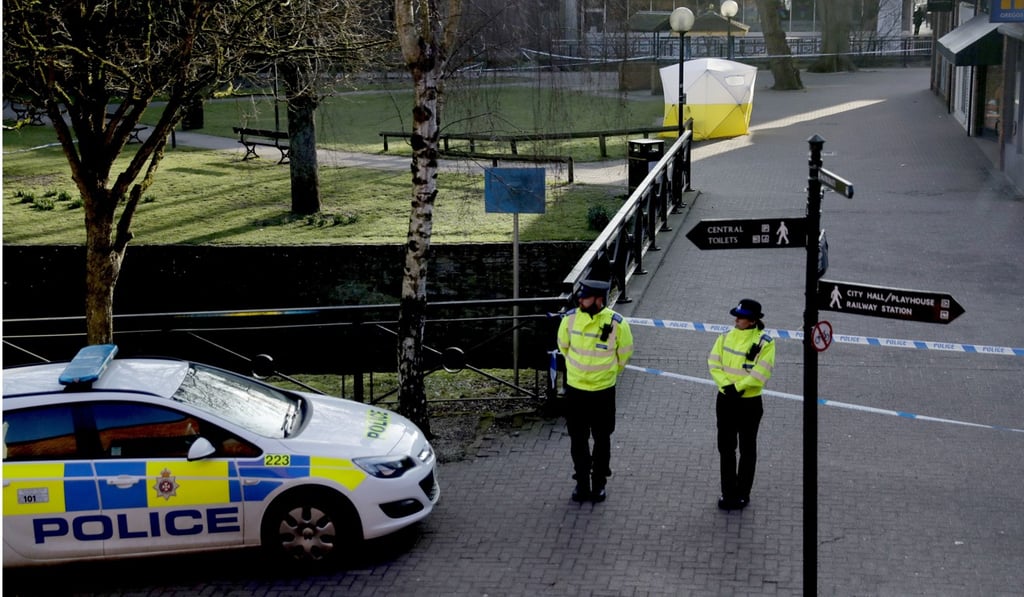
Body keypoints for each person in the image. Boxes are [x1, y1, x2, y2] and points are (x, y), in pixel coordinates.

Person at [557, 279, 634, 503]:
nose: (581, 300)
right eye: (581, 296)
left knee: (602, 439)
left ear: (599, 299)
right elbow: (563, 346)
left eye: (586, 297)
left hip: (603, 391)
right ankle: (582, 483)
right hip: (576, 391)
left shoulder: (617, 323)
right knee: (578, 439)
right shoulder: (570, 319)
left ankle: (599, 482)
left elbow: (625, 354)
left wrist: (606, 373)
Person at [707, 298, 775, 511]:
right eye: (736, 316)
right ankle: (728, 493)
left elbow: (761, 373)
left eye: (741, 317)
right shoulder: (724, 337)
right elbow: (713, 363)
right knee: (726, 448)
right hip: (726, 400)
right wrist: (727, 386)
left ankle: (743, 493)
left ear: (752, 321)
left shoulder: (765, 342)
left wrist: (737, 388)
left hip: (749, 403)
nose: (736, 319)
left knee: (747, 449)